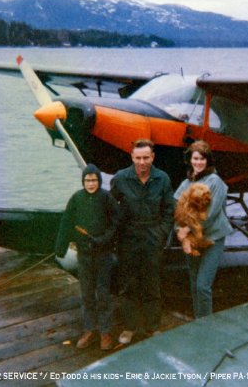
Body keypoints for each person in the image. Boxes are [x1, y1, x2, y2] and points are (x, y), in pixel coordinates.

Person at [111, 139, 174, 344]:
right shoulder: (120, 178)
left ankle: (152, 327)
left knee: (152, 283)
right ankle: (129, 327)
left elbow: (168, 211)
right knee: (128, 284)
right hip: (128, 238)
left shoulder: (162, 179)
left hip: (152, 236)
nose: (142, 162)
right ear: (132, 157)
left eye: (146, 158)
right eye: (138, 158)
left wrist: (160, 234)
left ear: (153, 157)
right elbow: (110, 209)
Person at [55, 164, 119, 350]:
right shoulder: (76, 198)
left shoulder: (106, 198)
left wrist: (104, 239)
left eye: (94, 180)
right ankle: (90, 329)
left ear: (99, 181)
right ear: (83, 182)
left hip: (103, 255)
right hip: (84, 255)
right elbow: (66, 223)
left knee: (103, 293)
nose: (91, 184)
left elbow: (116, 222)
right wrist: (60, 247)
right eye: (87, 180)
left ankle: (105, 331)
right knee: (87, 293)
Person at [174, 140, 233, 319]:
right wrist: (180, 231)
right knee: (194, 285)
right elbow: (176, 209)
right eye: (195, 158)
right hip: (193, 240)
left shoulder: (216, 181)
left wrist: (187, 230)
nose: (198, 163)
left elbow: (211, 214)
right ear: (190, 160)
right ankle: (198, 322)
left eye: (202, 159)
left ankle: (206, 324)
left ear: (208, 161)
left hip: (213, 237)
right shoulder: (185, 183)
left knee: (202, 286)